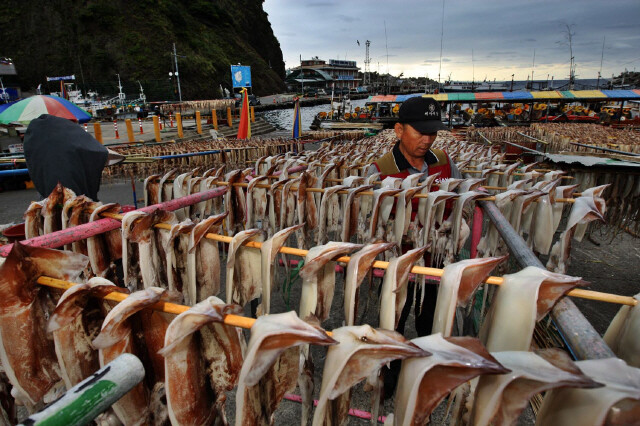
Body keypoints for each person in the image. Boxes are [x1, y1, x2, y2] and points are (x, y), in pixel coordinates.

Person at [369, 96, 464, 395]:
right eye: (420, 132)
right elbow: (373, 222)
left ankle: (426, 367)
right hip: (398, 259)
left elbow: (460, 201)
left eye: (432, 133)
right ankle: (391, 371)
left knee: (429, 314)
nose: (427, 140)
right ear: (399, 130)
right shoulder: (381, 170)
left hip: (435, 256)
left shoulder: (445, 163)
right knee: (395, 314)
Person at [24, 114, 123, 201]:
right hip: (65, 193)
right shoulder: (65, 133)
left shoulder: (38, 135)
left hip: (49, 192)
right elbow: (91, 150)